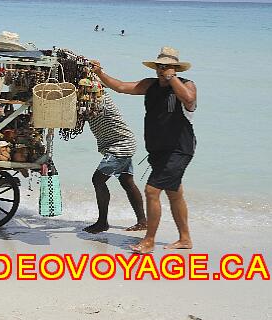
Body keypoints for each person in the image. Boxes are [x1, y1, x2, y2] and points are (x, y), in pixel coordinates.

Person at [91, 47, 196, 253]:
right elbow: (121, 86)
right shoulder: (150, 85)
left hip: (178, 149)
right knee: (175, 194)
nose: (161, 69)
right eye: (159, 66)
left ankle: (148, 241)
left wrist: (172, 78)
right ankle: (185, 239)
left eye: (166, 66)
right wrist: (99, 73)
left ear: (175, 68)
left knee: (151, 191)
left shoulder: (186, 85)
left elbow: (189, 100)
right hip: (157, 150)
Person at [84, 90, 147, 234]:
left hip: (121, 145)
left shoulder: (100, 101)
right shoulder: (89, 101)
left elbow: (79, 115)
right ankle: (143, 221)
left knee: (98, 180)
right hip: (122, 143)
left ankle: (102, 223)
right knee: (127, 181)